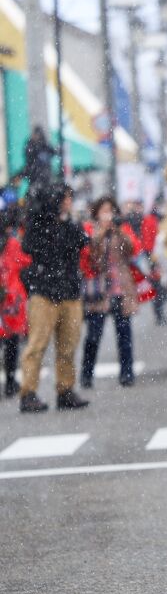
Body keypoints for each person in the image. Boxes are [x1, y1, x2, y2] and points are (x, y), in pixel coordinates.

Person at [19, 184, 89, 412]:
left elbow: (81, 241)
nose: (69, 202)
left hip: (68, 290)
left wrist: (68, 222)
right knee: (37, 344)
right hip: (44, 292)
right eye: (66, 198)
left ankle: (65, 389)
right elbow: (31, 247)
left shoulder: (69, 224)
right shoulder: (39, 224)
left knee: (68, 344)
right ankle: (28, 392)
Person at [79, 196, 141, 389]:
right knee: (93, 335)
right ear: (96, 213)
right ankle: (86, 374)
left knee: (124, 335)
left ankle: (127, 373)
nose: (107, 215)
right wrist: (100, 235)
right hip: (99, 291)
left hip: (120, 289)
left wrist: (119, 232)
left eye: (110, 211)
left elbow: (133, 250)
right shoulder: (90, 230)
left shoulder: (121, 230)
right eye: (104, 211)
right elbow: (89, 257)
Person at [0, 210, 31, 397]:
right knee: (11, 341)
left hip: (8, 296)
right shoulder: (11, 244)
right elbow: (25, 262)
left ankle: (11, 381)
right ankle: (10, 381)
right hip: (11, 299)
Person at [23, 126, 56, 194]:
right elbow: (28, 155)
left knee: (45, 192)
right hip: (35, 175)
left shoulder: (44, 144)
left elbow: (53, 151)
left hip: (45, 174)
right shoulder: (31, 144)